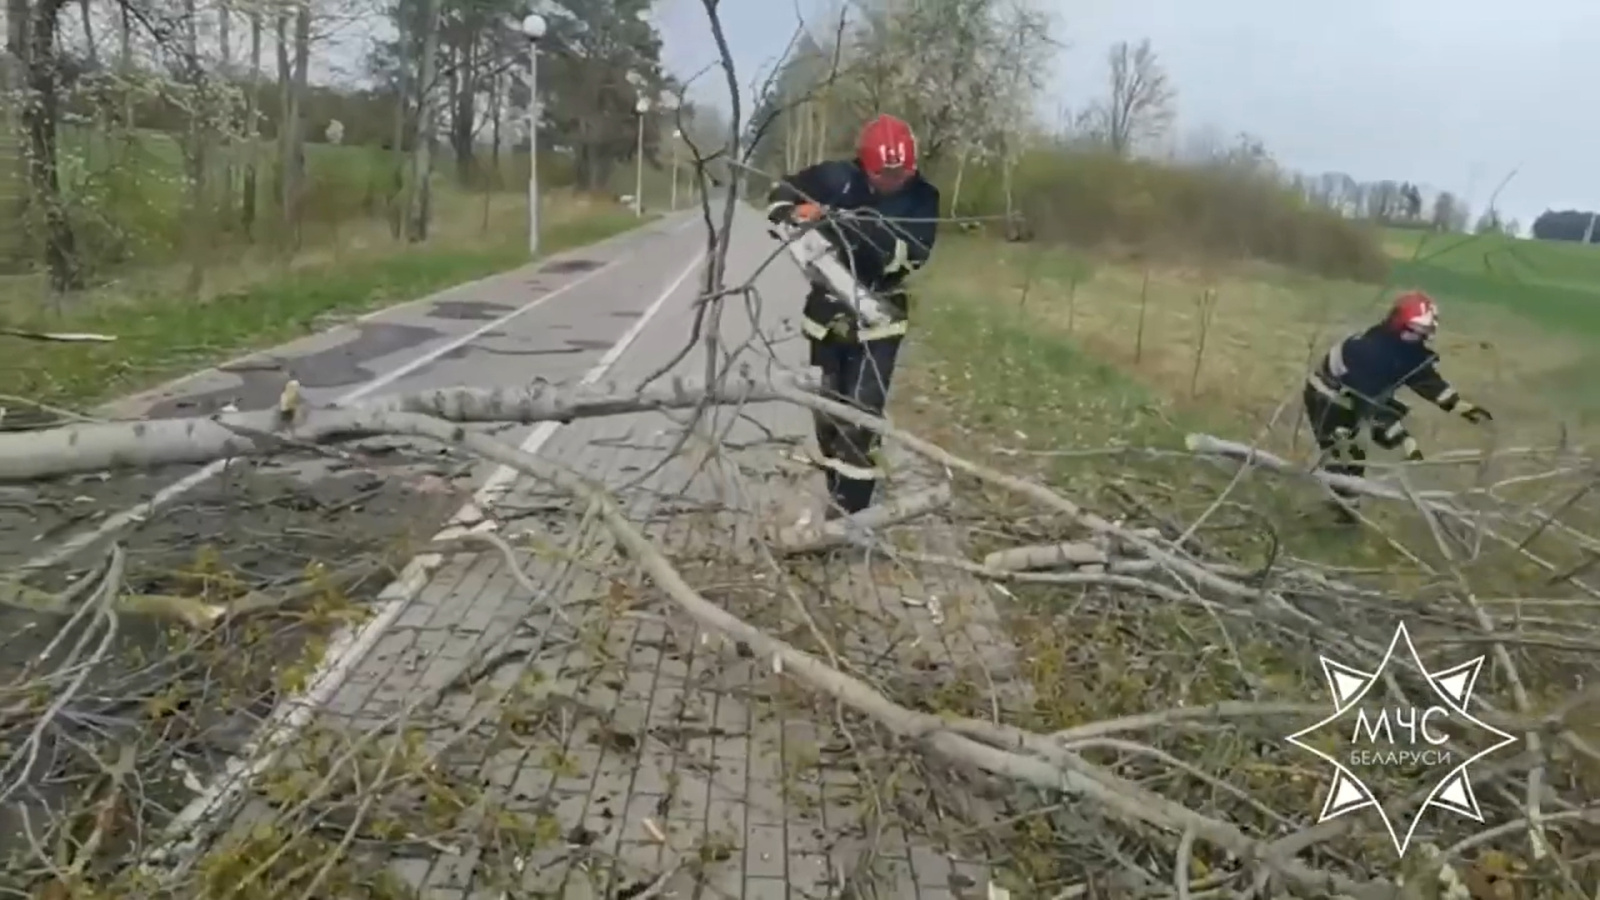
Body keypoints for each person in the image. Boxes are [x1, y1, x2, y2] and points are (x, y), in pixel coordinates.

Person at [765, 113, 941, 518]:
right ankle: (835, 489)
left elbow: (906, 255)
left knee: (860, 421)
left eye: (901, 175)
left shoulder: (922, 198)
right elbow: (780, 194)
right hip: (826, 316)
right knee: (827, 415)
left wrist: (844, 224)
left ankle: (851, 515)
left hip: (879, 320)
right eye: (885, 175)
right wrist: (794, 214)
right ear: (865, 164)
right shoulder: (836, 178)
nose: (894, 182)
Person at [1303, 290, 1493, 521]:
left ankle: (1344, 508)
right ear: (1399, 325)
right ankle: (1341, 513)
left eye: (1425, 333)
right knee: (1343, 454)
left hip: (1353, 398)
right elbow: (1371, 405)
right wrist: (1403, 440)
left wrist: (1460, 406)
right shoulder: (1369, 352)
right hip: (1327, 400)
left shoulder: (1401, 347)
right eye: (1416, 332)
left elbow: (1422, 377)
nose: (1421, 338)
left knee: (1354, 457)